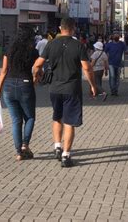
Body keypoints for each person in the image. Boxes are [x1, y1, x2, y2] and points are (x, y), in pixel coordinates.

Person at [33, 18, 97, 168]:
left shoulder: (51, 44)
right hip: (72, 89)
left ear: (60, 28)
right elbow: (87, 68)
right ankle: (66, 156)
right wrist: (93, 85)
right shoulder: (78, 45)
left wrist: (37, 76)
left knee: (57, 117)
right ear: (73, 28)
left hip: (54, 88)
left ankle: (57, 146)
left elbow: (37, 64)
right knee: (69, 122)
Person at [0, 30, 39, 161]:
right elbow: (37, 68)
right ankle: (25, 145)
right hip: (26, 84)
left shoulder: (9, 51)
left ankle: (19, 152)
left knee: (16, 120)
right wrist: (35, 79)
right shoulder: (33, 52)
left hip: (8, 86)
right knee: (30, 117)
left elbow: (4, 71)